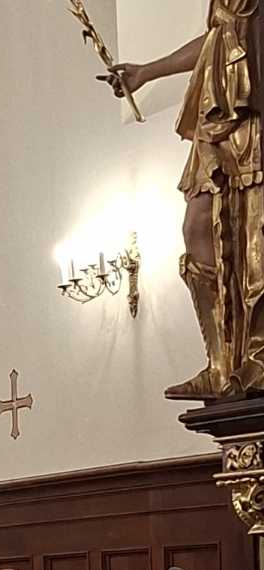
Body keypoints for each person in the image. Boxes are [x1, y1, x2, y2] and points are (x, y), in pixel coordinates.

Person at [102, 7, 262, 399]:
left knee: (254, 236)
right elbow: (219, 37)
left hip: (253, 104)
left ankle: (257, 355)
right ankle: (220, 363)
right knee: (196, 226)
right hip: (219, 108)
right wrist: (147, 72)